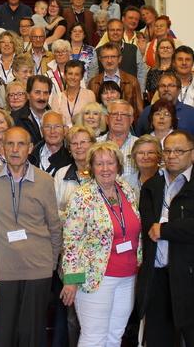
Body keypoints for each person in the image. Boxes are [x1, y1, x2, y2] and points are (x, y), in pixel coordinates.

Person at [0, 127, 62, 347]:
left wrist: (50, 263)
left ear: (30, 148)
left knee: (32, 335)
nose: (14, 149)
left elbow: (54, 226)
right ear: (2, 148)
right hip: (3, 269)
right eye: (9, 144)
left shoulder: (44, 181)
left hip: (37, 270)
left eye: (21, 144)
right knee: (5, 334)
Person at [136, 130, 194, 347]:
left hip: (191, 276)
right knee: (157, 340)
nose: (172, 155)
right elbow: (145, 229)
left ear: (193, 154)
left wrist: (166, 230)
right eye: (167, 151)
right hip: (156, 278)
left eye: (179, 151)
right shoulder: (151, 186)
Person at [61, 141, 142, 347]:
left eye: (110, 163)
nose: (105, 169)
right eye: (99, 164)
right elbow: (72, 241)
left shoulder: (128, 190)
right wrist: (71, 279)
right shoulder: (82, 196)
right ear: (91, 167)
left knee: (115, 336)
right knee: (94, 338)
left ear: (118, 166)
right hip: (96, 277)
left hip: (128, 276)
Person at [134, 73, 194, 137]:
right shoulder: (148, 111)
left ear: (179, 90)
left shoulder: (191, 113)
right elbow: (139, 138)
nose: (166, 89)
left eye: (171, 86)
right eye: (162, 86)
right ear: (158, 90)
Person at [88, 42, 144, 116]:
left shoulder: (132, 81)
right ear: (100, 59)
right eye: (106, 57)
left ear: (120, 58)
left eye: (113, 57)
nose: (109, 61)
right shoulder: (93, 83)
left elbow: (139, 111)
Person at [95, 20, 147, 93]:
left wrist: (140, 93)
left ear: (123, 32)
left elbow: (141, 73)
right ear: (107, 32)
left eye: (118, 30)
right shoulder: (98, 51)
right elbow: (93, 76)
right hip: (105, 96)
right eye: (112, 30)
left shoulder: (133, 49)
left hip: (129, 95)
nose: (115, 32)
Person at [97, 99, 138, 178]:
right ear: (107, 119)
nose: (119, 118)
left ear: (131, 120)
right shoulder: (95, 144)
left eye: (124, 115)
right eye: (114, 114)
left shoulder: (139, 145)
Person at [49, 59, 96, 126]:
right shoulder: (57, 98)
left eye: (77, 74)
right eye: (70, 74)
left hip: (84, 134)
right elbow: (55, 122)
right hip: (63, 135)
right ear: (65, 75)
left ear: (81, 77)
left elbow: (92, 119)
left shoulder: (89, 94)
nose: (73, 77)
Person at [27, 110, 72, 176]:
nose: (52, 131)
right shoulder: (31, 156)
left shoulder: (72, 157)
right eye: (47, 127)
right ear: (41, 130)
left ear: (65, 130)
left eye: (57, 126)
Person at [11, 74, 52, 144]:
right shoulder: (15, 119)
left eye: (45, 93)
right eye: (37, 92)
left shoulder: (55, 118)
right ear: (28, 94)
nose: (42, 97)